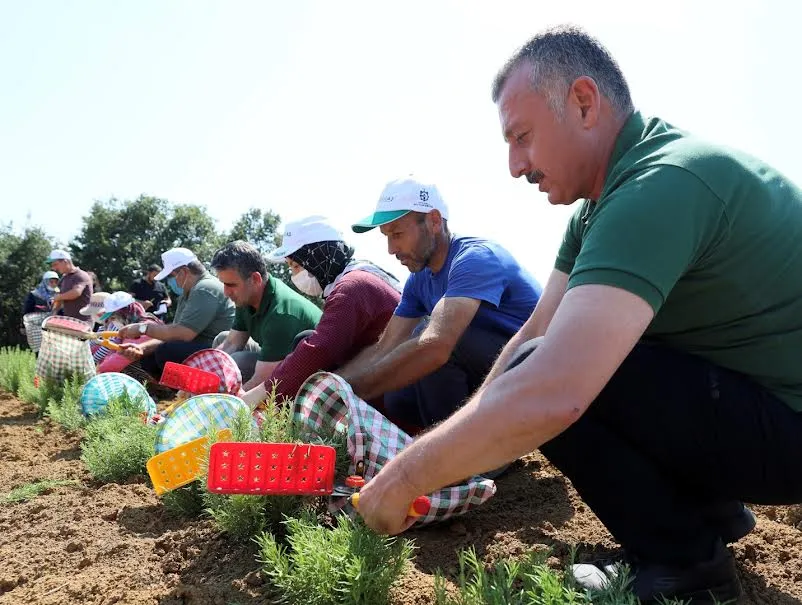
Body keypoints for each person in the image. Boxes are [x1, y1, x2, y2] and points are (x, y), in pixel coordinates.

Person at [352, 25, 802, 604]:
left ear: (584, 103)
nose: (516, 165)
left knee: (561, 378)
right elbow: (529, 338)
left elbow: (552, 388)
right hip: (758, 414)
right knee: (542, 362)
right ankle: (709, 518)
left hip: (789, 431)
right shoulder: (597, 210)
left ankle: (687, 567)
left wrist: (406, 479)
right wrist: (459, 436)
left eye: (522, 137)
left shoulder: (658, 185)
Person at [338, 175, 542, 431]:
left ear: (434, 221)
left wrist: (355, 390)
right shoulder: (419, 278)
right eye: (386, 237)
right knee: (399, 397)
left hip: (536, 368)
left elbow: (437, 345)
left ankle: (475, 451)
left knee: (433, 344)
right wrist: (338, 385)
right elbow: (385, 346)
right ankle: (465, 440)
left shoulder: (475, 258)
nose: (391, 248)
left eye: (398, 233)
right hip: (490, 371)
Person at [240, 216, 402, 406]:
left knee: (308, 349)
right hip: (384, 370)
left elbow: (319, 349)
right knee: (305, 338)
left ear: (317, 258)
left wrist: (263, 393)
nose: (294, 275)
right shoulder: (356, 278)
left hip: (394, 388)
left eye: (296, 266)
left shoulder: (352, 287)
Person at [210, 240, 322, 391]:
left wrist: (221, 401)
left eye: (231, 285)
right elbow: (232, 343)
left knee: (236, 362)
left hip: (313, 377)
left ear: (255, 279)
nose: (226, 292)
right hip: (277, 357)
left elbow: (262, 381)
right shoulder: (247, 297)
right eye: (223, 284)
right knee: (222, 340)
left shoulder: (281, 313)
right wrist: (203, 375)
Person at [116, 247, 235, 379]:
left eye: (172, 276)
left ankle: (193, 390)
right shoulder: (188, 292)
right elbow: (174, 334)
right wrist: (142, 349)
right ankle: (175, 392)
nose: (172, 282)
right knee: (148, 358)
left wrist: (142, 328)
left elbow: (183, 334)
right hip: (203, 347)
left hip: (222, 350)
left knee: (167, 352)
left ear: (184, 271)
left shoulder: (205, 289)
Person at [47, 249, 93, 320]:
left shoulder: (80, 275)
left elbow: (76, 292)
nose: (54, 268)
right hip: (70, 320)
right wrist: (54, 312)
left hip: (83, 320)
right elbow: (59, 293)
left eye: (55, 264)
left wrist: (58, 297)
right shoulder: (64, 278)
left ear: (65, 261)